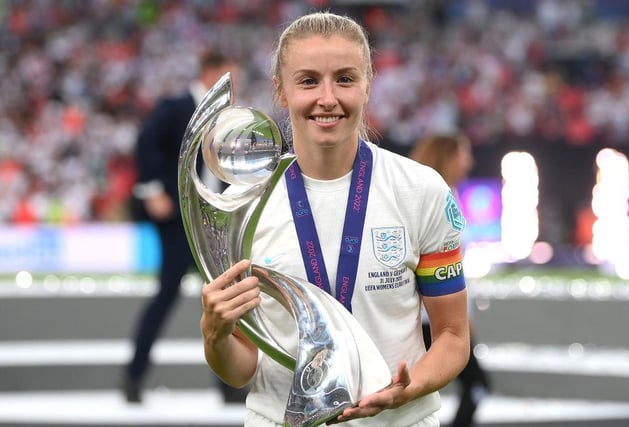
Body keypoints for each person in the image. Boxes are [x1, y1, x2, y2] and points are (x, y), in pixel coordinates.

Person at [199, 11, 470, 427]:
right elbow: (241, 368)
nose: (328, 98)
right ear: (281, 91)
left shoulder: (420, 189)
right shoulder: (243, 206)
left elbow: (453, 336)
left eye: (345, 79)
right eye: (308, 80)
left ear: (367, 85)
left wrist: (408, 389)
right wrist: (214, 336)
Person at [123, 51, 246, 404]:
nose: (232, 86)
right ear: (211, 72)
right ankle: (134, 375)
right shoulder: (177, 106)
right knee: (168, 295)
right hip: (178, 220)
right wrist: (152, 190)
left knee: (222, 299)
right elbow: (146, 143)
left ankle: (228, 384)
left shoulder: (228, 117)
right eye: (229, 77)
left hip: (214, 222)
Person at [409, 133, 491, 427]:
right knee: (475, 384)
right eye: (463, 153)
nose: (468, 160)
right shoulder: (431, 199)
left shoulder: (443, 195)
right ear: (448, 156)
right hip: (430, 319)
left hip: (433, 316)